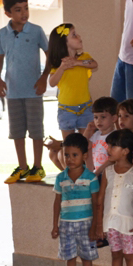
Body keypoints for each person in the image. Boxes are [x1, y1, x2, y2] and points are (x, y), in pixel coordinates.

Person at [0, 0, 50, 184]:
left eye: (26, 8)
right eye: (18, 10)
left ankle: (38, 166)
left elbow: (50, 55)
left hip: (34, 91)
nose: (24, 13)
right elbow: (0, 59)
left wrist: (44, 77)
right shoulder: (2, 34)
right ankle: (23, 167)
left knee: (36, 130)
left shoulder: (36, 31)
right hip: (13, 92)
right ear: (8, 13)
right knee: (17, 132)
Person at [51, 134, 101, 266]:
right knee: (69, 256)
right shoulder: (61, 178)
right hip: (66, 224)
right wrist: (55, 225)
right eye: (66, 155)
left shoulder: (91, 178)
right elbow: (57, 202)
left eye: (74, 155)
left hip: (86, 224)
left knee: (87, 256)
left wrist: (95, 226)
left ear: (84, 156)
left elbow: (96, 203)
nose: (70, 159)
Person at [97, 130, 133, 266]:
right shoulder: (108, 171)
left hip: (128, 223)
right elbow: (100, 199)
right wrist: (99, 224)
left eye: (112, 146)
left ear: (125, 151)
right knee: (115, 254)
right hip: (110, 222)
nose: (108, 149)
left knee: (129, 255)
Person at [44, 24, 98, 171]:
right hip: (66, 111)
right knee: (68, 147)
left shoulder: (84, 58)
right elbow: (52, 82)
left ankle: (88, 175)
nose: (78, 37)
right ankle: (71, 174)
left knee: (85, 144)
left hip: (85, 109)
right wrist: (63, 67)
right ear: (64, 42)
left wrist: (76, 62)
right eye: (74, 35)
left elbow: (94, 64)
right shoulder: (57, 63)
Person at [83, 96, 119, 173]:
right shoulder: (96, 135)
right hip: (97, 172)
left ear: (114, 118)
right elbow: (82, 146)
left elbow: (112, 160)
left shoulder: (116, 135)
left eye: (103, 117)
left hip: (110, 174)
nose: (98, 121)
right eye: (96, 117)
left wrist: (98, 172)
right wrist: (88, 130)